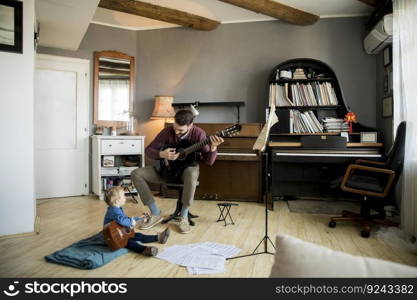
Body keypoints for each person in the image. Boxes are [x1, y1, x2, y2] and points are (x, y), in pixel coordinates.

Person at [131, 109, 224, 234]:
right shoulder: (167, 131)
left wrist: (213, 147)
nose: (176, 132)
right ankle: (155, 213)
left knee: (191, 172)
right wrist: (161, 154)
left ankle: (183, 216)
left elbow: (209, 161)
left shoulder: (199, 134)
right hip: (167, 170)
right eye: (175, 128)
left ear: (190, 126)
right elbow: (148, 150)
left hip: (186, 173)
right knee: (136, 173)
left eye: (180, 130)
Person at [103, 186, 170, 256]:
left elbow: (125, 219)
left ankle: (158, 238)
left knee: (138, 235)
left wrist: (139, 218)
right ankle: (144, 250)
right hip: (114, 238)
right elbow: (122, 220)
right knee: (129, 242)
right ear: (117, 201)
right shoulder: (114, 210)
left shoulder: (117, 208)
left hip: (120, 233)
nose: (125, 197)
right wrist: (131, 222)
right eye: (123, 195)